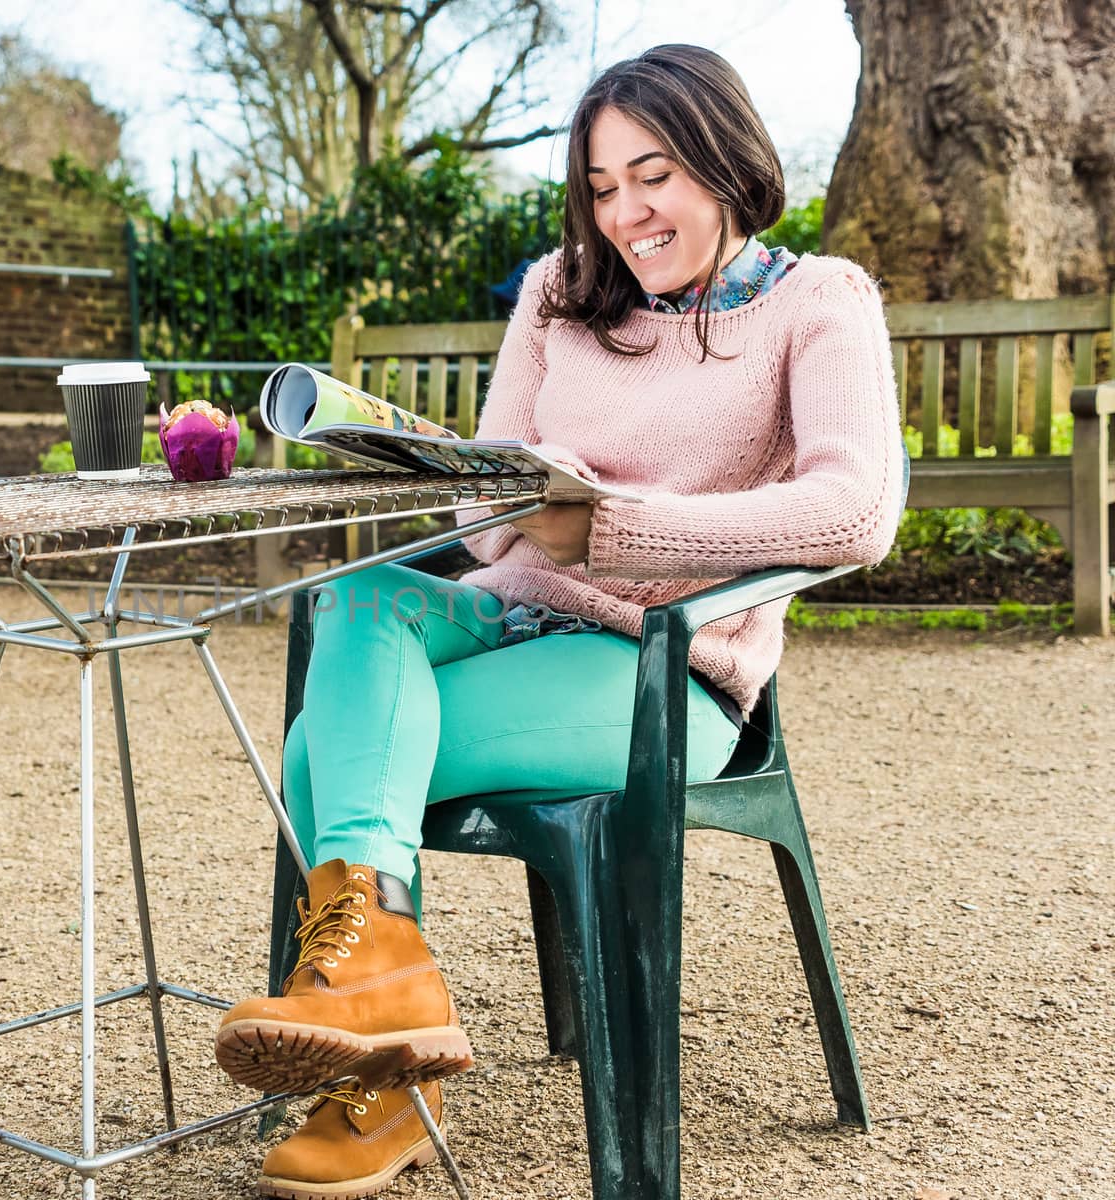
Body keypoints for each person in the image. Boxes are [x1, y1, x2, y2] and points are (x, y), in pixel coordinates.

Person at [215, 43, 905, 1200]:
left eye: (654, 175)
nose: (626, 213)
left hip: (665, 670)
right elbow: (486, 538)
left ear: (726, 162)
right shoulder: (555, 292)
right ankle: (383, 1013)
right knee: (361, 597)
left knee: (313, 753)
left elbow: (858, 509)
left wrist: (617, 528)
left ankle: (380, 1078)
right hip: (516, 613)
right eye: (599, 186)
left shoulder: (818, 302)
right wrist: (521, 490)